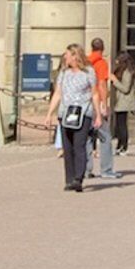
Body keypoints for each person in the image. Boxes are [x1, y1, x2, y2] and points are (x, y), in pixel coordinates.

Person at [53, 45, 99, 191]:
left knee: (79, 145)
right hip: (65, 113)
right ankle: (69, 178)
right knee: (68, 147)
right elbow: (58, 94)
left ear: (75, 56)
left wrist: (97, 114)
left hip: (83, 112)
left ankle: (78, 178)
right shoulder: (63, 73)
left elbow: (95, 94)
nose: (65, 58)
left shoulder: (89, 72)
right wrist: (50, 113)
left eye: (67, 55)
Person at [84, 39, 123, 183]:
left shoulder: (86, 62)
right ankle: (106, 169)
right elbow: (101, 84)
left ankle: (86, 170)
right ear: (103, 48)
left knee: (87, 137)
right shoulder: (101, 63)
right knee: (105, 136)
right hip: (96, 103)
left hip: (85, 104)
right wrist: (104, 104)